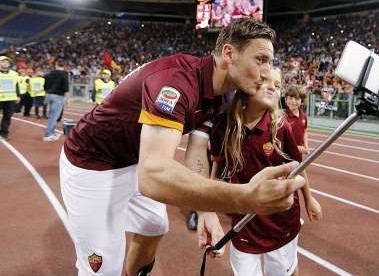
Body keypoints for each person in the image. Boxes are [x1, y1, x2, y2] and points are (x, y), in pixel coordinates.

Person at [60, 18, 306, 276]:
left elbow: (198, 151)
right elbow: (152, 178)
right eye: (261, 60)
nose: (267, 72)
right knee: (101, 269)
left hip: (134, 158)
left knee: (154, 225)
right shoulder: (175, 83)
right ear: (229, 54)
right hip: (92, 164)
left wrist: (206, 210)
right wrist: (245, 197)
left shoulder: (225, 93)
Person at [206, 68, 322, 276]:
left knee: (284, 273)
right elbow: (215, 172)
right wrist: (209, 210)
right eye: (266, 80)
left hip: (281, 219)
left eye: (277, 86)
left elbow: (298, 167)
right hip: (244, 221)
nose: (273, 87)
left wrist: (309, 198)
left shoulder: (281, 127)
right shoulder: (224, 126)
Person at [43, 60, 69, 141]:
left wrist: (46, 96)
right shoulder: (64, 74)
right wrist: (67, 99)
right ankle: (47, 135)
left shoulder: (48, 74)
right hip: (58, 96)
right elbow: (66, 88)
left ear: (56, 65)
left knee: (52, 115)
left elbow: (45, 86)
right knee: (54, 116)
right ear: (64, 66)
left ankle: (52, 132)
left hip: (49, 95)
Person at [284, 85, 310, 155]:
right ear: (286, 99)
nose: (293, 101)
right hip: (285, 156)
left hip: (297, 154)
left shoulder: (304, 116)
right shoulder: (282, 117)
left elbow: (305, 131)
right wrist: (297, 147)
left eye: (297, 99)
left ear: (302, 101)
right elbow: (280, 140)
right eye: (290, 98)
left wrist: (306, 146)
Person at [0, 55, 19, 141]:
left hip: (10, 99)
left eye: (7, 62)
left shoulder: (14, 74)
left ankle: (4, 133)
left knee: (7, 116)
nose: (5, 63)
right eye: (3, 61)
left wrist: (18, 95)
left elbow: (16, 85)